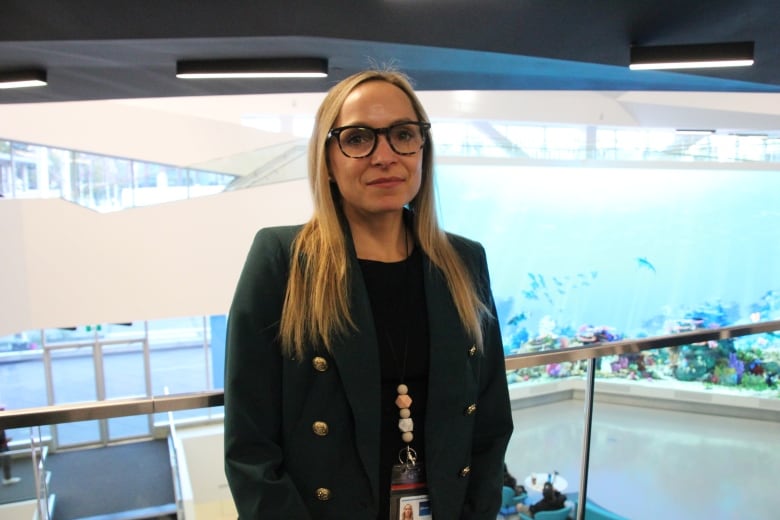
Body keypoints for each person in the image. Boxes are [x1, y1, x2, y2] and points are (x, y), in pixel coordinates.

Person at [224, 68, 513, 519]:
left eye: (403, 134)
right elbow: (250, 445)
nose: (385, 156)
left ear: (423, 149)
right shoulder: (283, 259)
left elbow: (490, 423)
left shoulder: (463, 262)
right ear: (328, 160)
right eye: (358, 139)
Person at [1, 405, 21, 486]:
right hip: (2, 446)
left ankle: (7, 478)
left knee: (7, 461)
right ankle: (7, 478)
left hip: (3, 445)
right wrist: (5, 440)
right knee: (6, 461)